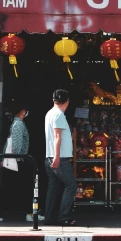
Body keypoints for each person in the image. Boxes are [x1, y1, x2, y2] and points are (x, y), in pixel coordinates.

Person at [0, 105, 45, 224]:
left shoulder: (15, 123)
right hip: (17, 161)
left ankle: (30, 212)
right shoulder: (19, 124)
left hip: (15, 160)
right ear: (23, 111)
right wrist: (15, 158)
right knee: (11, 188)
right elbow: (16, 145)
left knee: (21, 187)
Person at [44, 88, 77, 226]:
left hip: (49, 156)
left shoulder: (49, 113)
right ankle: (64, 217)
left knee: (54, 187)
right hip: (59, 158)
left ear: (53, 100)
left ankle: (49, 217)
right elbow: (58, 137)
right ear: (67, 101)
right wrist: (57, 156)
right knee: (71, 185)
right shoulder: (59, 115)